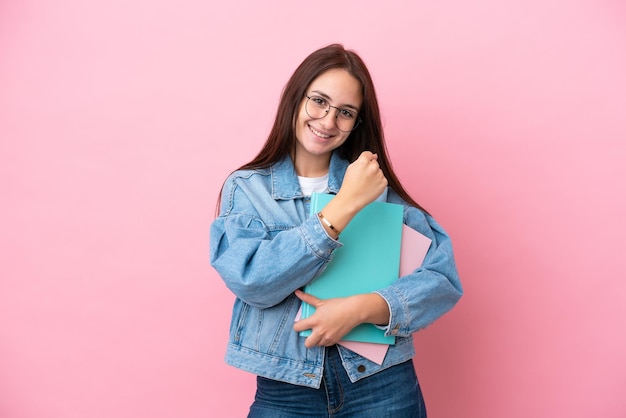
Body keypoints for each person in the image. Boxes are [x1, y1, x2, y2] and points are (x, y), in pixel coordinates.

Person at [210, 43, 462, 418]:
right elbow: (253, 281)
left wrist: (365, 308)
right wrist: (343, 207)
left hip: (382, 384)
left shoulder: (374, 184)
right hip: (286, 390)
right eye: (319, 102)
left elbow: (442, 278)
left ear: (358, 122)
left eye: (345, 112)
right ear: (295, 100)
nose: (328, 121)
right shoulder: (248, 189)